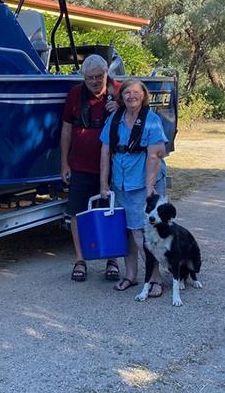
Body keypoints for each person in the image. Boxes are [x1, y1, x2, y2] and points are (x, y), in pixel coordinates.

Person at [99, 78, 169, 296]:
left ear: (144, 95)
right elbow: (105, 151)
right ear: (122, 97)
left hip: (143, 183)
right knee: (126, 232)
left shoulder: (151, 120)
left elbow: (155, 156)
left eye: (136, 92)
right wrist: (103, 183)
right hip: (120, 184)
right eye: (127, 92)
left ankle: (156, 280)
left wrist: (150, 188)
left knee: (143, 234)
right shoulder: (114, 119)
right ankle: (131, 275)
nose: (131, 96)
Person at [60, 54, 120, 282]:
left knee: (112, 212)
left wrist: (121, 108)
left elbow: (138, 114)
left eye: (99, 76)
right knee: (77, 212)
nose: (95, 81)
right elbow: (66, 128)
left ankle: (112, 259)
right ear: (83, 77)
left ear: (106, 74)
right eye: (90, 77)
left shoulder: (119, 91)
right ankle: (80, 259)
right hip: (81, 165)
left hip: (113, 166)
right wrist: (64, 162)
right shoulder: (75, 94)